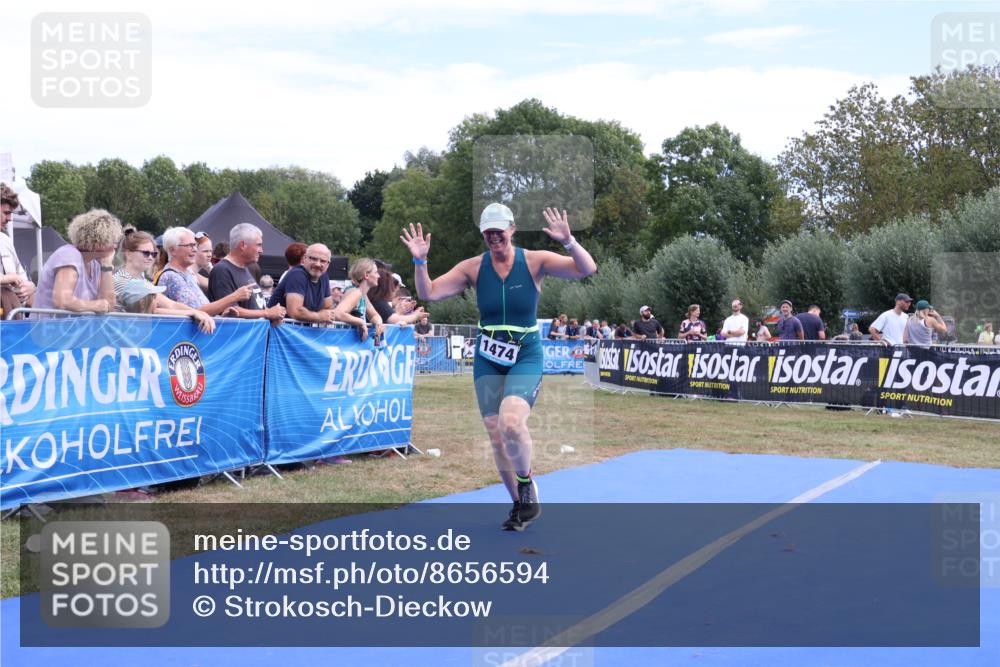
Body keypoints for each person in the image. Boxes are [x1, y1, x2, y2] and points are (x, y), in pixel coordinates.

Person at [402, 204, 596, 531]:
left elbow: (586, 269)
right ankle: (520, 506)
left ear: (512, 228)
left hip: (525, 353)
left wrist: (568, 242)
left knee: (510, 424)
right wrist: (420, 261)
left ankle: (525, 482)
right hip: (488, 356)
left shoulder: (535, 261)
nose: (494, 237)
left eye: (499, 230)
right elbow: (429, 293)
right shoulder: (474, 268)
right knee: (496, 435)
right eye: (487, 232)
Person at [113, 228, 216, 332]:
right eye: (145, 253)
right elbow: (153, 311)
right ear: (128, 253)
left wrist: (198, 313)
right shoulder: (123, 280)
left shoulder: (140, 279)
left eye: (153, 254)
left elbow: (170, 304)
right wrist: (193, 313)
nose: (150, 258)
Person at [34, 209, 121, 315]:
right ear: (99, 242)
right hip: (49, 329)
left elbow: (108, 305)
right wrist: (95, 305)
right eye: (112, 241)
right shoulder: (69, 255)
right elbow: (62, 301)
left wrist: (106, 266)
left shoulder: (96, 263)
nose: (115, 246)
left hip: (75, 329)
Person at [157, 227, 252, 316]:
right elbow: (197, 312)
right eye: (190, 245)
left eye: (195, 245)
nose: (195, 249)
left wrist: (222, 316)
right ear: (173, 250)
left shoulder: (187, 273)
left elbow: (199, 313)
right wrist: (234, 297)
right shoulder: (172, 276)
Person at [208, 223, 285, 323]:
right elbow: (231, 311)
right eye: (258, 245)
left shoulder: (245, 268)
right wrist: (267, 313)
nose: (261, 250)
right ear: (243, 245)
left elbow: (254, 308)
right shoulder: (222, 270)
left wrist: (272, 316)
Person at [267, 243, 336, 324]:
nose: (318, 264)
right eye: (313, 259)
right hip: (279, 331)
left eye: (323, 261)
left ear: (328, 264)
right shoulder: (297, 274)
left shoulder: (323, 276)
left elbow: (328, 308)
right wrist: (319, 316)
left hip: (299, 332)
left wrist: (320, 315)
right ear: (304, 259)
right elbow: (295, 311)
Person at [0, 184, 36, 315]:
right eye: (6, 213)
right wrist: (5, 279)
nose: (10, 219)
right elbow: (12, 277)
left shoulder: (6, 241)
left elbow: (21, 276)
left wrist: (30, 287)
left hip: (9, 323)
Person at [334, 257, 386, 343]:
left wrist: (378, 324)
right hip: (343, 342)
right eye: (376, 272)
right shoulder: (355, 292)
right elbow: (338, 314)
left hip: (349, 344)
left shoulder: (362, 294)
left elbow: (374, 315)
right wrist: (361, 322)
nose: (379, 276)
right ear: (366, 275)